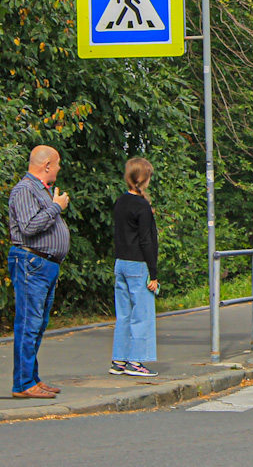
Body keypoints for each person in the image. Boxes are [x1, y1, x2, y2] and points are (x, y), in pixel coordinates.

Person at [7, 145, 70, 399]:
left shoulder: (39, 190)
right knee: (28, 324)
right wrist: (56, 207)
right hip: (30, 263)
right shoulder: (24, 189)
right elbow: (29, 227)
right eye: (56, 164)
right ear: (46, 166)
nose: (58, 168)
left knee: (38, 324)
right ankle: (22, 383)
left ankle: (31, 377)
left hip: (44, 265)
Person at [110, 157, 159, 378]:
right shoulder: (143, 206)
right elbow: (147, 241)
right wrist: (154, 273)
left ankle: (119, 359)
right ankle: (136, 361)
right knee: (142, 314)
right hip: (138, 264)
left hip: (120, 262)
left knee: (124, 314)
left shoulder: (120, 201)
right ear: (144, 178)